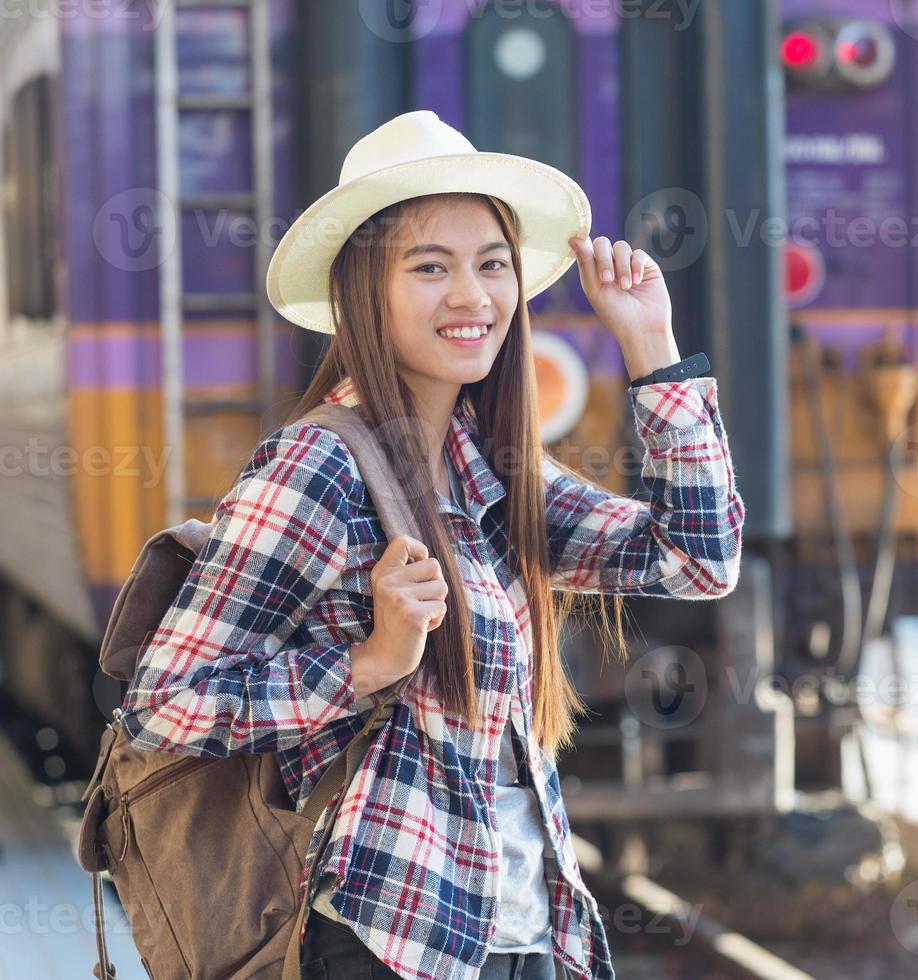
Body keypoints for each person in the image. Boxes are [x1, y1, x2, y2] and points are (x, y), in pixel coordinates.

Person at [116, 110, 744, 980]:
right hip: (389, 943)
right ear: (360, 294)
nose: (472, 297)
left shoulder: (491, 469)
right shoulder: (320, 467)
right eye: (430, 268)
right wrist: (368, 664)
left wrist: (652, 347)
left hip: (522, 933)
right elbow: (164, 705)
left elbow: (697, 559)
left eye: (493, 265)